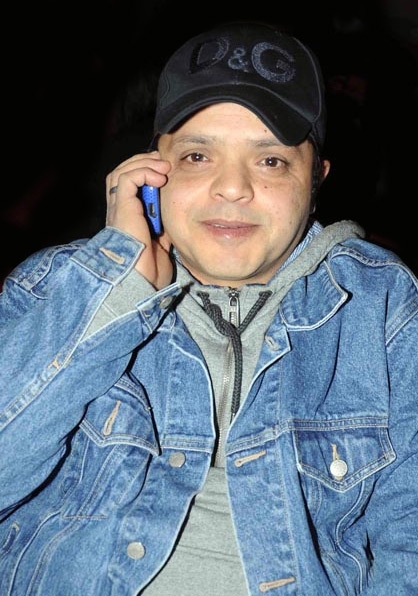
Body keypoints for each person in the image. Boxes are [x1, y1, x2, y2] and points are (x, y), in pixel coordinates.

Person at [0, 20, 417, 596]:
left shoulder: (381, 306)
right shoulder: (57, 287)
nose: (232, 187)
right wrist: (114, 289)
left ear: (315, 180)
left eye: (271, 161)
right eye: (198, 155)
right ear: (151, 171)